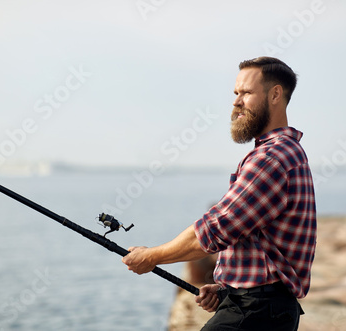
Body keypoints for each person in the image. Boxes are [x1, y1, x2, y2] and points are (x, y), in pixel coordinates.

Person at [122, 56, 317, 331]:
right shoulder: (283, 152)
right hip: (262, 307)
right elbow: (258, 240)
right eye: (236, 93)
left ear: (275, 94)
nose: (236, 101)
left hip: (257, 312)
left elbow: (216, 230)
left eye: (246, 93)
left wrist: (152, 256)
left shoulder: (271, 158)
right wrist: (228, 288)